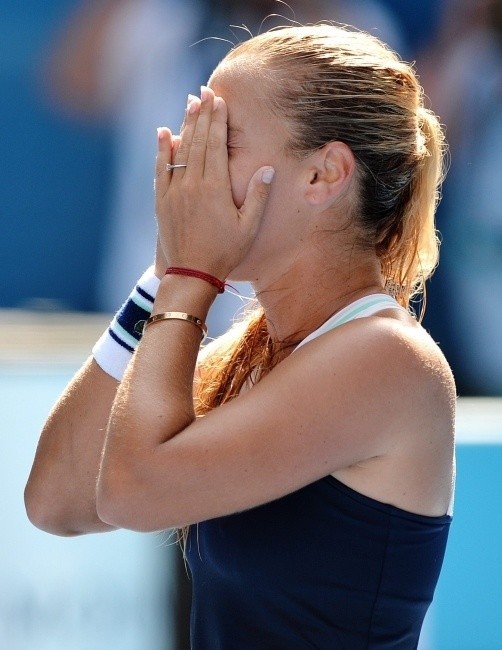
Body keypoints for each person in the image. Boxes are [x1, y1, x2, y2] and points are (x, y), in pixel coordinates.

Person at [25, 24, 456, 648]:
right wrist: (163, 276)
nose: (183, 164)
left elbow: (132, 492)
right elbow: (58, 500)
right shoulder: (250, 355)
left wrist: (191, 272)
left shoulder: (386, 358)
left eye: (218, 141)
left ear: (323, 175)